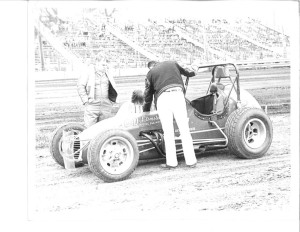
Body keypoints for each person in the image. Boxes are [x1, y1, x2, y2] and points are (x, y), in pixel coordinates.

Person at [143, 60, 198, 169]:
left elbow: (148, 95)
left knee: (168, 132)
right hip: (178, 95)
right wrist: (196, 67)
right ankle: (191, 161)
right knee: (184, 129)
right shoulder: (172, 63)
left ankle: (172, 162)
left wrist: (145, 111)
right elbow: (189, 72)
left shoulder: (150, 73)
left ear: (150, 67)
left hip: (163, 98)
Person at [77, 56, 118, 128]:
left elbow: (113, 87)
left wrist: (111, 102)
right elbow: (80, 86)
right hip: (92, 106)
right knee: (89, 130)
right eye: (103, 64)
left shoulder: (108, 73)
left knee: (104, 131)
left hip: (106, 106)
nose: (105, 66)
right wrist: (86, 101)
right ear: (97, 64)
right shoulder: (88, 72)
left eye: (106, 65)